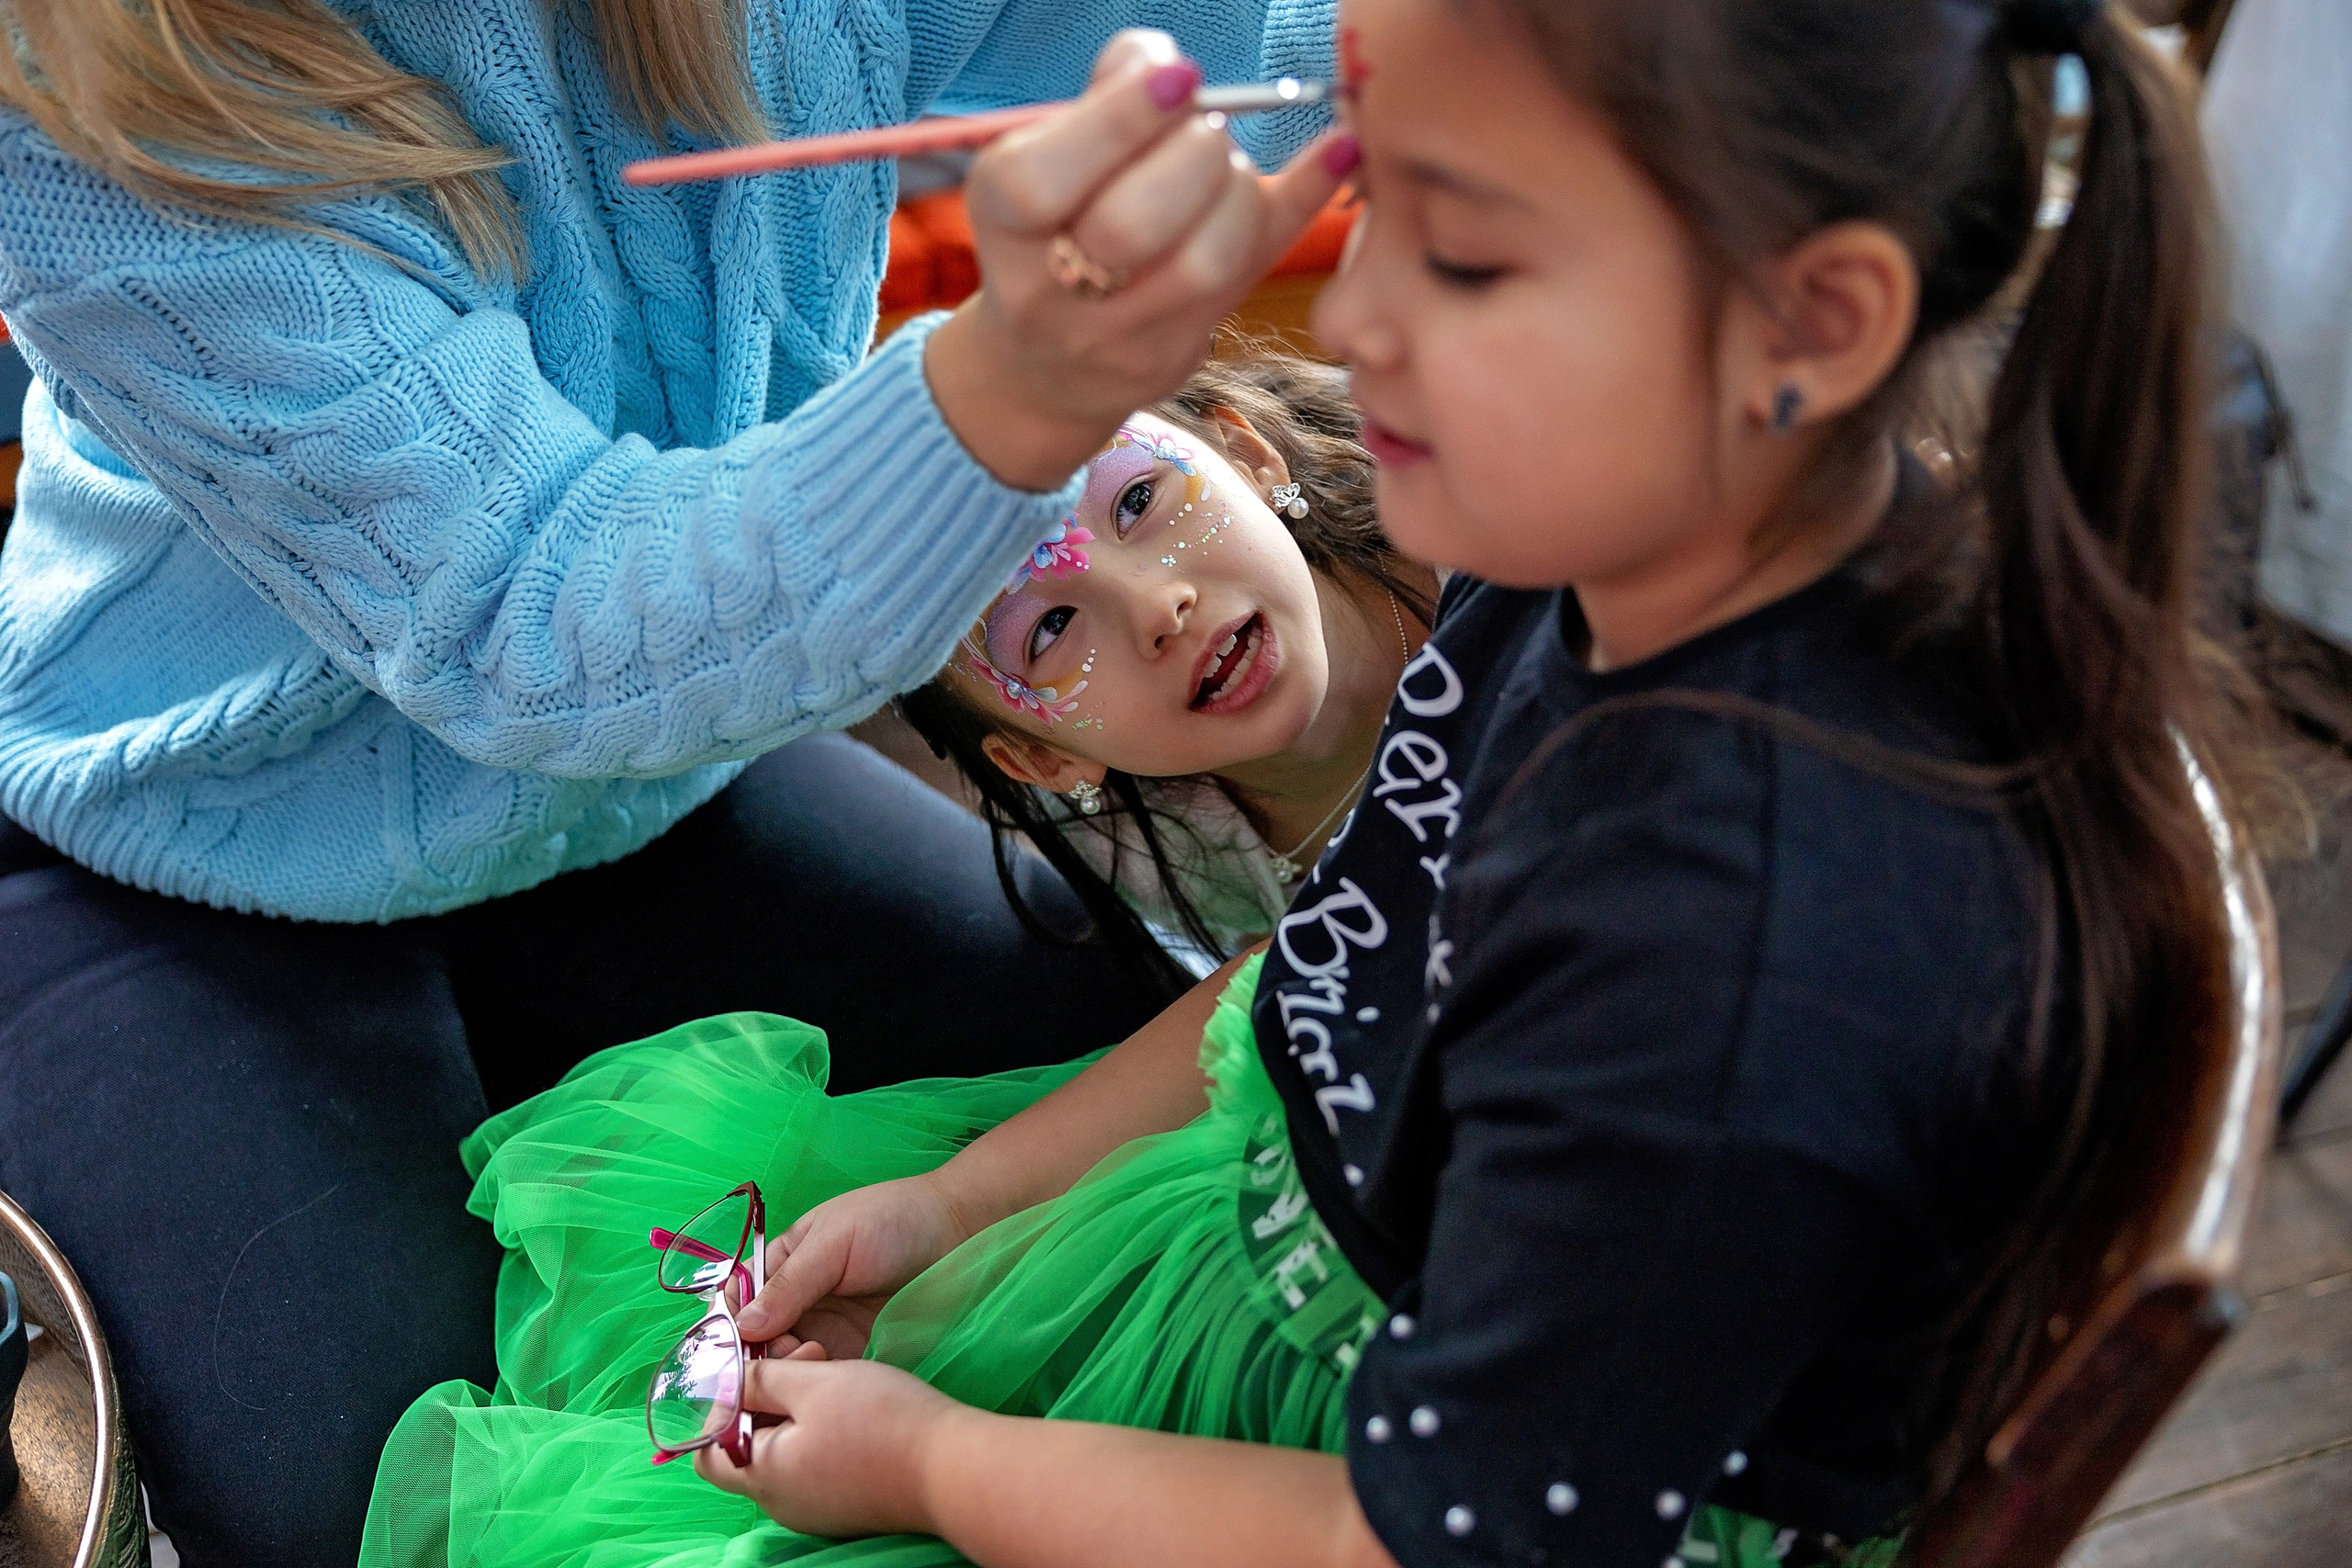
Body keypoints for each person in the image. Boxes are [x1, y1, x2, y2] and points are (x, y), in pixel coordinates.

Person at [359, 1, 2263, 1565]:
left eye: (1467, 254)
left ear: (1813, 321)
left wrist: (926, 1466)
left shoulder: (1725, 973)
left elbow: (1430, 1541)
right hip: (1289, 1275)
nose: (1343, 326)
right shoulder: (1574, 574)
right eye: (1375, 206)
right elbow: (1311, 988)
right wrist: (951, 1209)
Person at [0, 3, 1357, 1558]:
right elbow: (535, 618)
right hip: (192, 867)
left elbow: (1234, 33)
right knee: (369, 1511)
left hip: (660, 781)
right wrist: (1016, 386)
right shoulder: (71, 115)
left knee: (1108, 1086)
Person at [899, 355, 1435, 979]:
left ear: (1248, 455)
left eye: (1136, 500)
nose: (1157, 606)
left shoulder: (1498, 543)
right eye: (1050, 628)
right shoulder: (1152, 852)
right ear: (1045, 762)